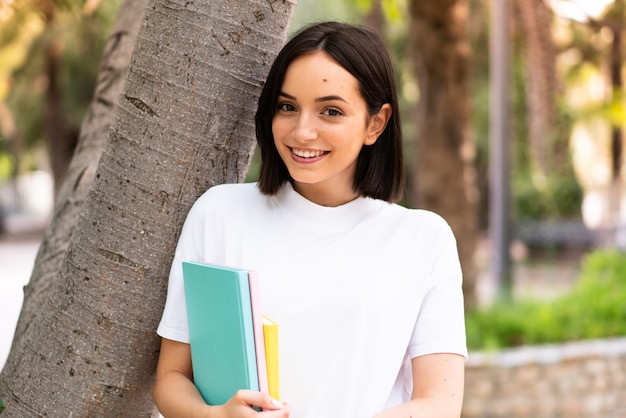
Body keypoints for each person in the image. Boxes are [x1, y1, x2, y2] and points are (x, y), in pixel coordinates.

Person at [153, 21, 467, 418]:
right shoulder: (219, 215)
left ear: (376, 123)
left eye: (330, 111)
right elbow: (171, 379)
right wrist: (217, 416)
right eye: (287, 107)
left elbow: (439, 403)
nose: (302, 131)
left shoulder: (424, 239)